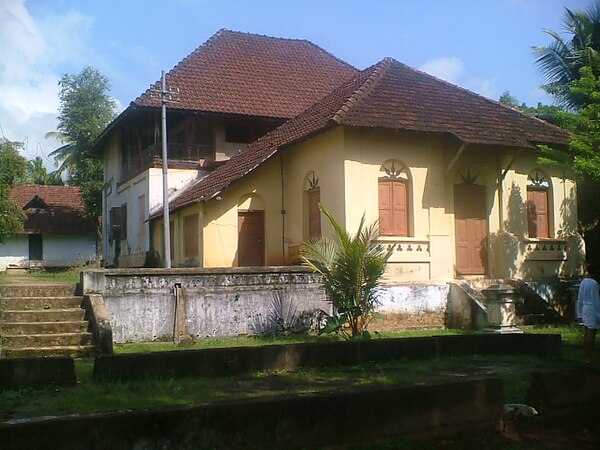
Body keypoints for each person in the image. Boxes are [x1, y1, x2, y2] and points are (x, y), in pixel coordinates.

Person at [577, 265, 600, 363]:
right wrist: (599, 314)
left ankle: (585, 355)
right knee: (591, 334)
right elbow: (595, 300)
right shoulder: (594, 284)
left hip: (585, 307)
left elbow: (580, 298)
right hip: (591, 308)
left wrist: (579, 313)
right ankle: (588, 357)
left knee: (586, 333)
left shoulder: (583, 282)